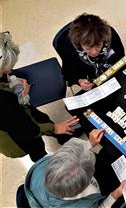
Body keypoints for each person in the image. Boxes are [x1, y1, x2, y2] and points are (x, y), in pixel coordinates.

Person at [0, 31, 79, 162]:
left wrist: (11, 81)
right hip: (16, 138)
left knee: (40, 118)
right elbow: (25, 129)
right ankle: (43, 161)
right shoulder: (4, 104)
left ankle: (61, 135)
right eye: (7, 69)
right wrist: (54, 128)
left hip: (16, 116)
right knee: (36, 147)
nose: (10, 71)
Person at [25, 129, 125, 208]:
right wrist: (114, 196)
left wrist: (88, 144)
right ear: (85, 184)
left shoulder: (40, 167)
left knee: (107, 155)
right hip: (101, 191)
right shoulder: (85, 205)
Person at [56, 13, 125, 91]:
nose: (94, 52)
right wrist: (80, 81)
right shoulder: (69, 48)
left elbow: (120, 55)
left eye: (98, 45)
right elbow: (68, 73)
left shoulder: (109, 34)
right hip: (90, 80)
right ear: (79, 44)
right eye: (89, 48)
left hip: (110, 75)